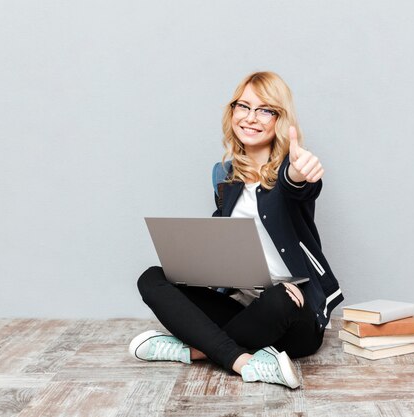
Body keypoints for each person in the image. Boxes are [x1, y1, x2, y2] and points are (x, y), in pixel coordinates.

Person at [130, 71, 343, 389]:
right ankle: (245, 362)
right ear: (232, 113)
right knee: (151, 277)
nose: (251, 118)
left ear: (279, 119)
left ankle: (195, 351)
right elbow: (226, 243)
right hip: (245, 310)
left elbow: (297, 187)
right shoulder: (224, 175)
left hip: (294, 313)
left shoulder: (289, 169)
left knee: (279, 298)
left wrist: (300, 174)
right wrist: (197, 264)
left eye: (265, 110)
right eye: (243, 107)